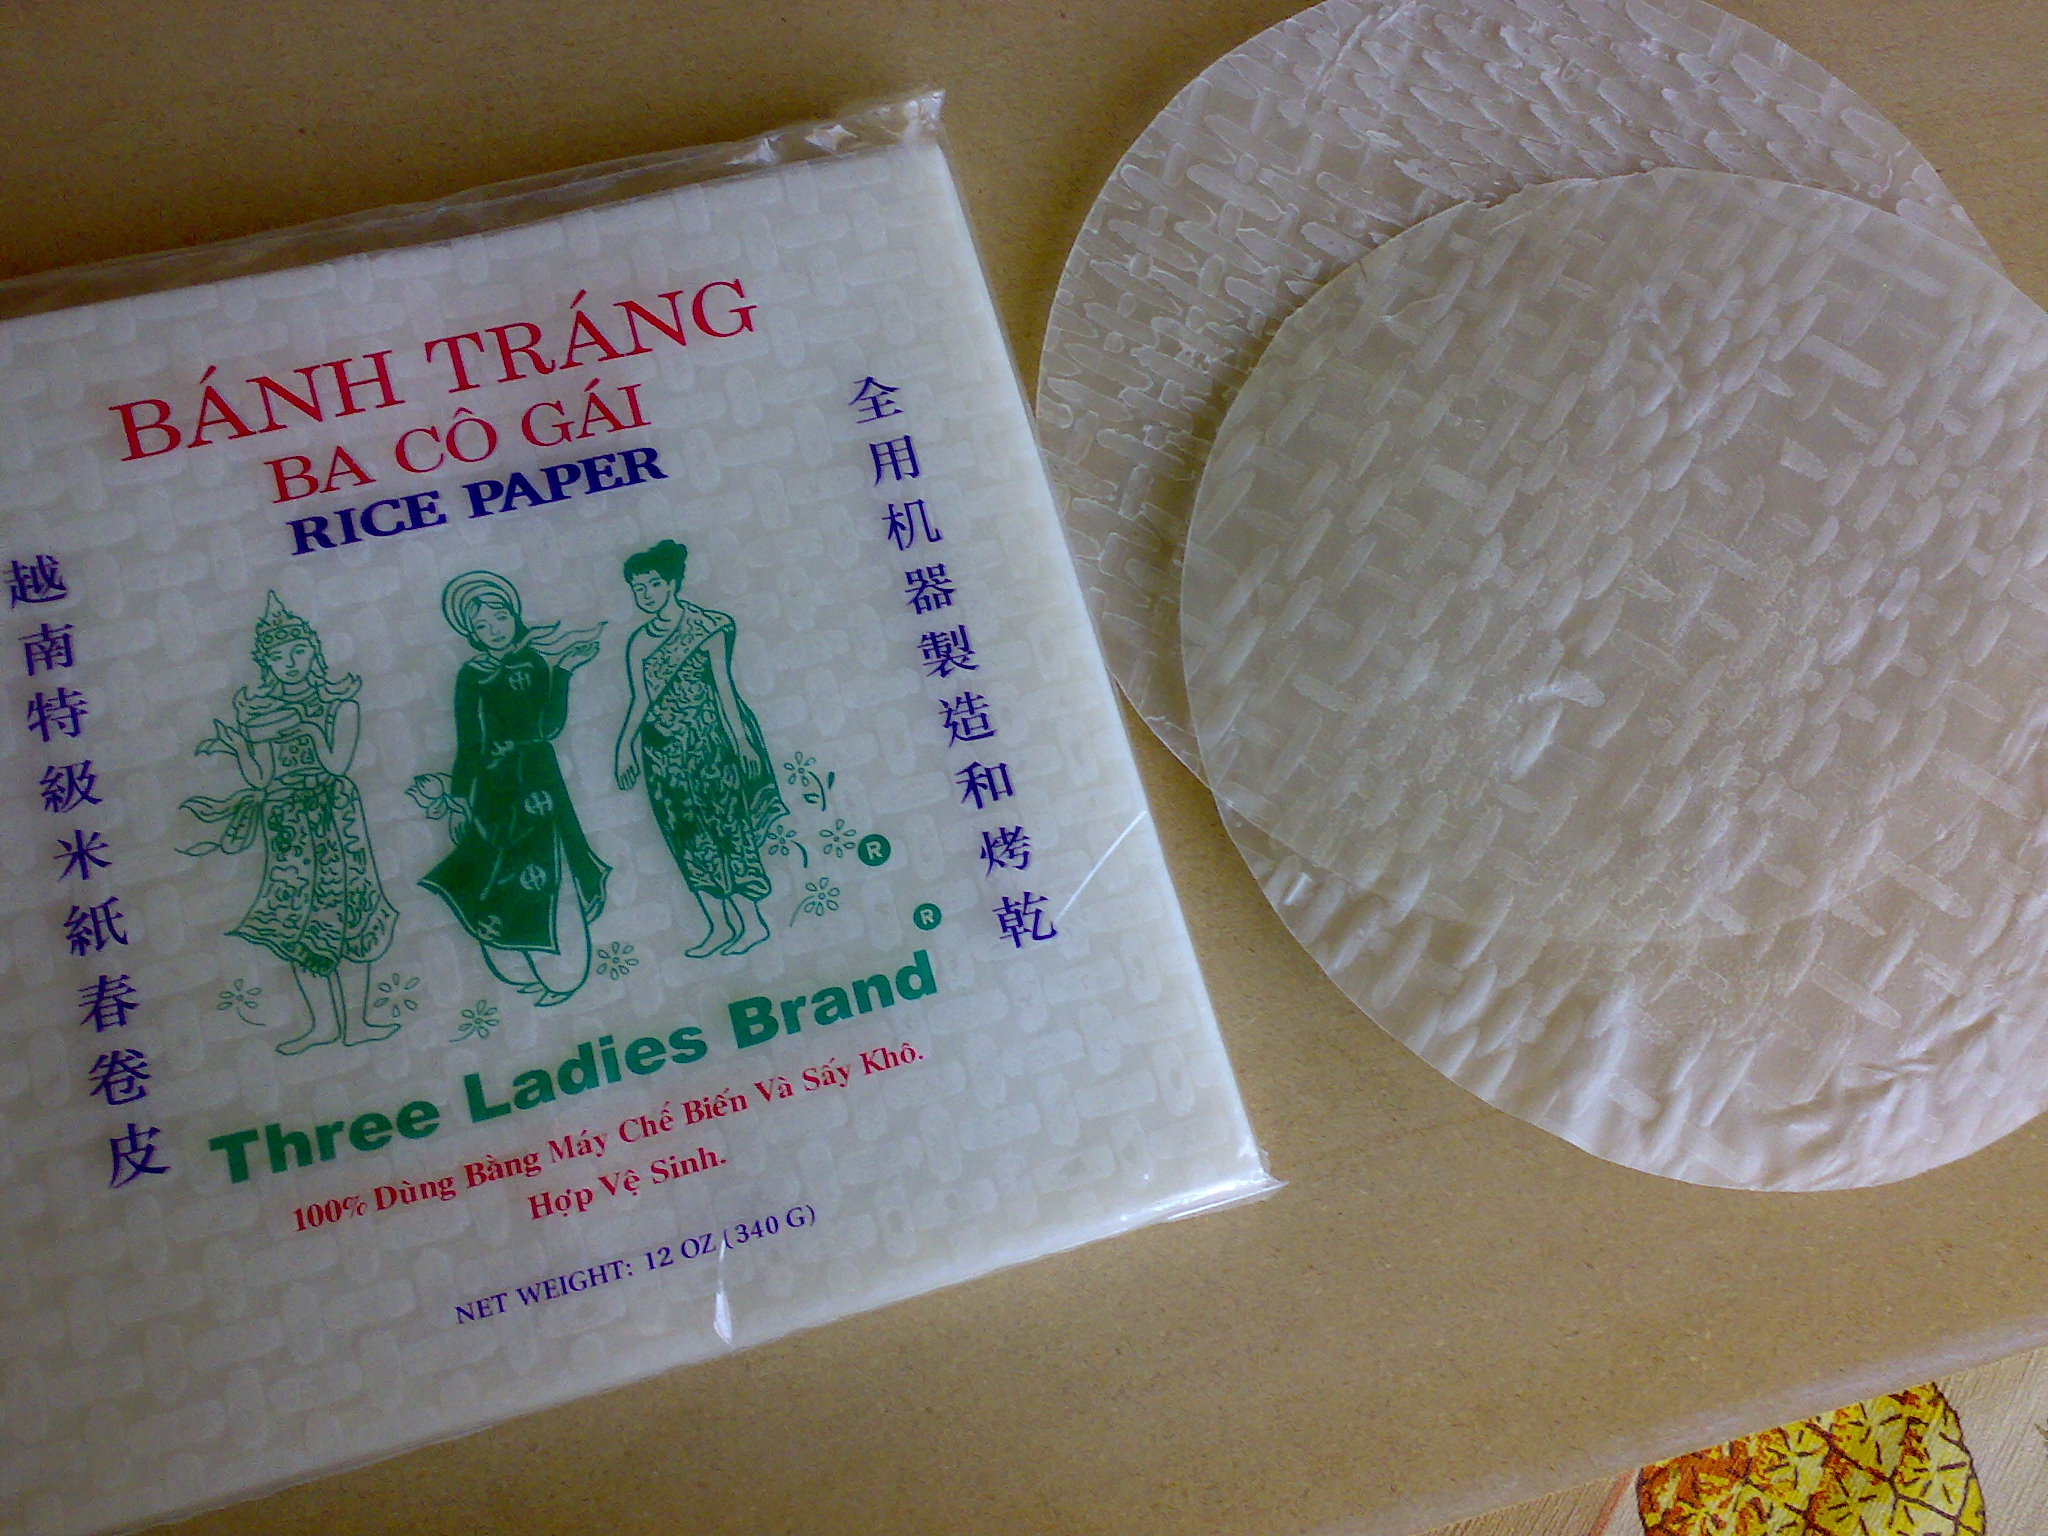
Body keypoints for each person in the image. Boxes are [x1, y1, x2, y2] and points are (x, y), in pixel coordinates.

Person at [182, 592, 399, 1053]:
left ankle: (359, 1023)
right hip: (287, 821)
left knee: (351, 912)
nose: (291, 663)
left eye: (299, 651)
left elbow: (338, 765)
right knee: (299, 917)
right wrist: (240, 746)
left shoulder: (340, 705)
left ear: (314, 652)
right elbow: (261, 777)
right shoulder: (261, 714)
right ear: (267, 665)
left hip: (335, 815)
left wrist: (305, 726)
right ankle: (322, 1026)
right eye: (279, 657)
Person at [414, 571, 608, 1005]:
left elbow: (548, 727)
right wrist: (460, 801)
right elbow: (468, 744)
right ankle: (527, 972)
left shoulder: (533, 662)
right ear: (471, 632)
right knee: (501, 874)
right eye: (481, 625)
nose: (494, 630)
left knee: (553, 869)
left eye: (499, 616)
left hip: (538, 780)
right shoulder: (471, 675)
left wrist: (563, 671)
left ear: (514, 614)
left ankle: (565, 978)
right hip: (494, 789)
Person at [615, 539, 786, 956]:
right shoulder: (639, 642)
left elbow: (724, 688)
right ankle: (718, 925)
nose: (645, 594)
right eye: (638, 588)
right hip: (663, 756)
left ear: (672, 583)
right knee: (686, 836)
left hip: (709, 746)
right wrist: (624, 747)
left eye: (653, 584)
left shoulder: (707, 627)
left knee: (728, 830)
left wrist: (742, 742)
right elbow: (641, 699)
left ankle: (752, 924)